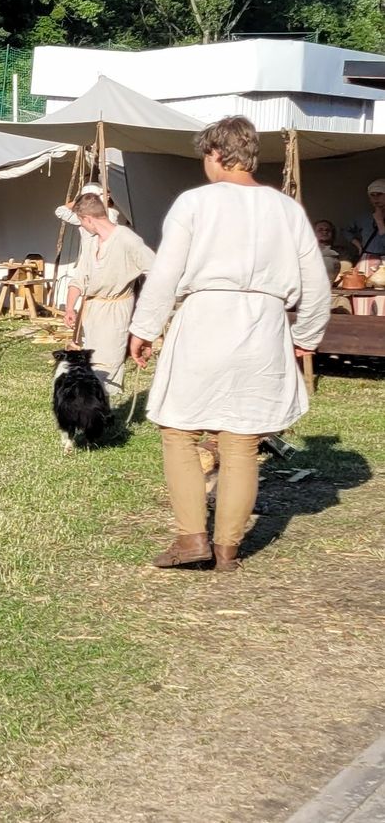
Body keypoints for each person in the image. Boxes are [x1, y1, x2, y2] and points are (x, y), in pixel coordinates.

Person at [127, 116, 330, 573]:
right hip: (264, 326)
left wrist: (144, 327)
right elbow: (316, 284)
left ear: (216, 153)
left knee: (179, 430)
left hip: (205, 321)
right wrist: (306, 336)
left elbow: (166, 272)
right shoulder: (286, 209)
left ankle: (192, 537)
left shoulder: (195, 203)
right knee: (241, 442)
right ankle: (227, 551)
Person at [62, 194, 155, 394]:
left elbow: (156, 272)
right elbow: (79, 279)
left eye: (80, 221)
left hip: (115, 308)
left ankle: (107, 409)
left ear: (88, 218)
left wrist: (148, 310)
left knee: (108, 363)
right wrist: (70, 308)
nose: (82, 226)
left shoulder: (128, 239)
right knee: (87, 361)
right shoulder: (91, 242)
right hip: (90, 309)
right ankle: (87, 405)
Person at [344, 184, 385, 315]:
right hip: (367, 260)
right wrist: (357, 244)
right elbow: (345, 230)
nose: (376, 199)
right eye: (372, 196)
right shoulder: (363, 217)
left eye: (379, 194)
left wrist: (380, 222)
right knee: (362, 296)